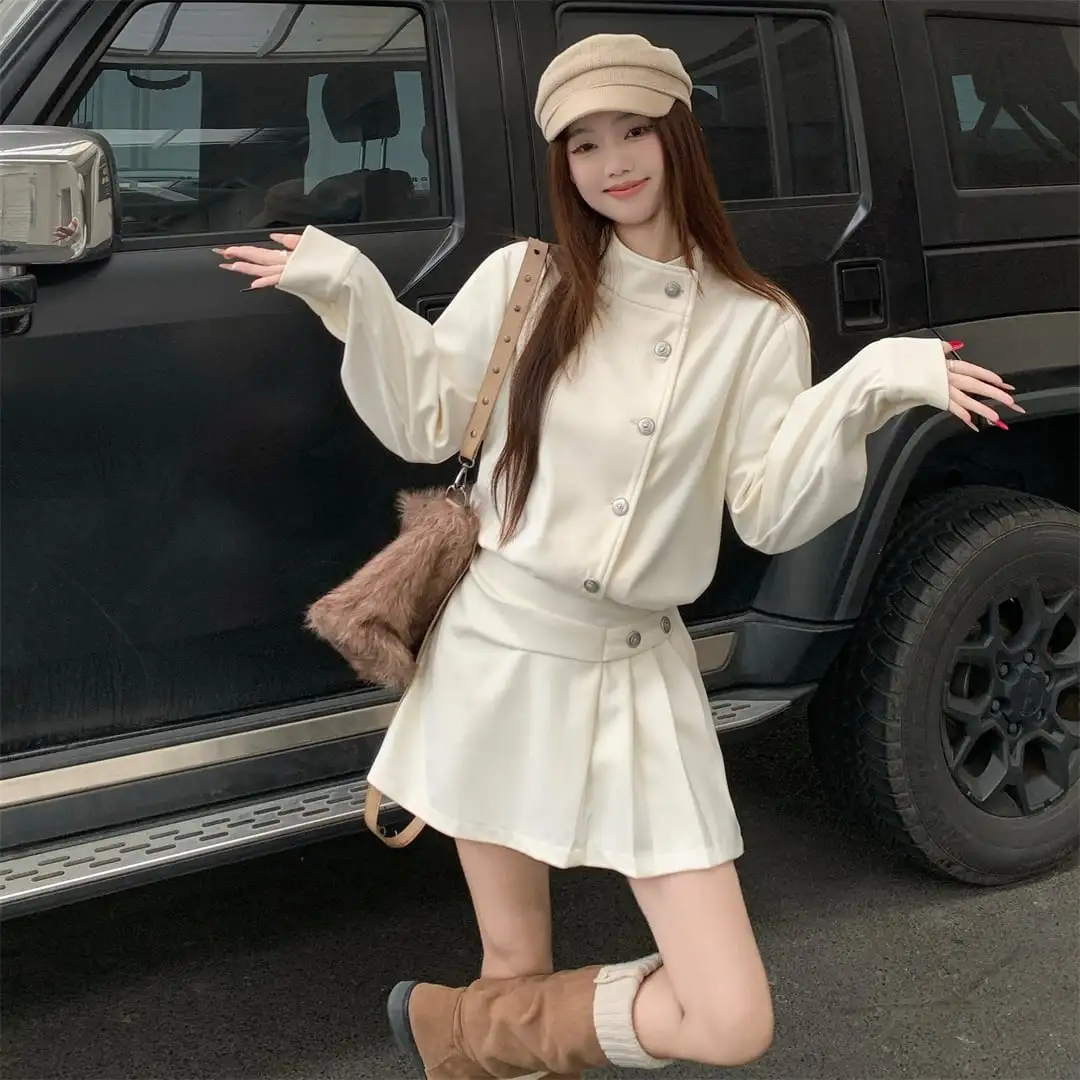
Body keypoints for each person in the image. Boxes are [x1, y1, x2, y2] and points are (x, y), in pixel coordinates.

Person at [215, 32, 1021, 1080]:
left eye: (633, 130)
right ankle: (479, 1039)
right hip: (499, 653)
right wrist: (352, 289)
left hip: (638, 670)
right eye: (584, 144)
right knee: (514, 965)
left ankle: (454, 1034)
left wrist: (870, 384)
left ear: (678, 135)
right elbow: (427, 416)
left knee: (730, 1020)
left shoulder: (756, 323)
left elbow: (771, 512)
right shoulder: (528, 280)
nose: (612, 163)